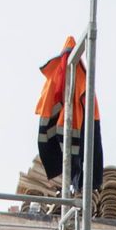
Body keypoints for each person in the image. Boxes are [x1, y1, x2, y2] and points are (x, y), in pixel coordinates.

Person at [35, 36, 102, 194]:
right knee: (82, 162)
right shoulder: (82, 80)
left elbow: (45, 109)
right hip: (75, 130)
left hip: (72, 130)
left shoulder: (59, 77)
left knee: (79, 163)